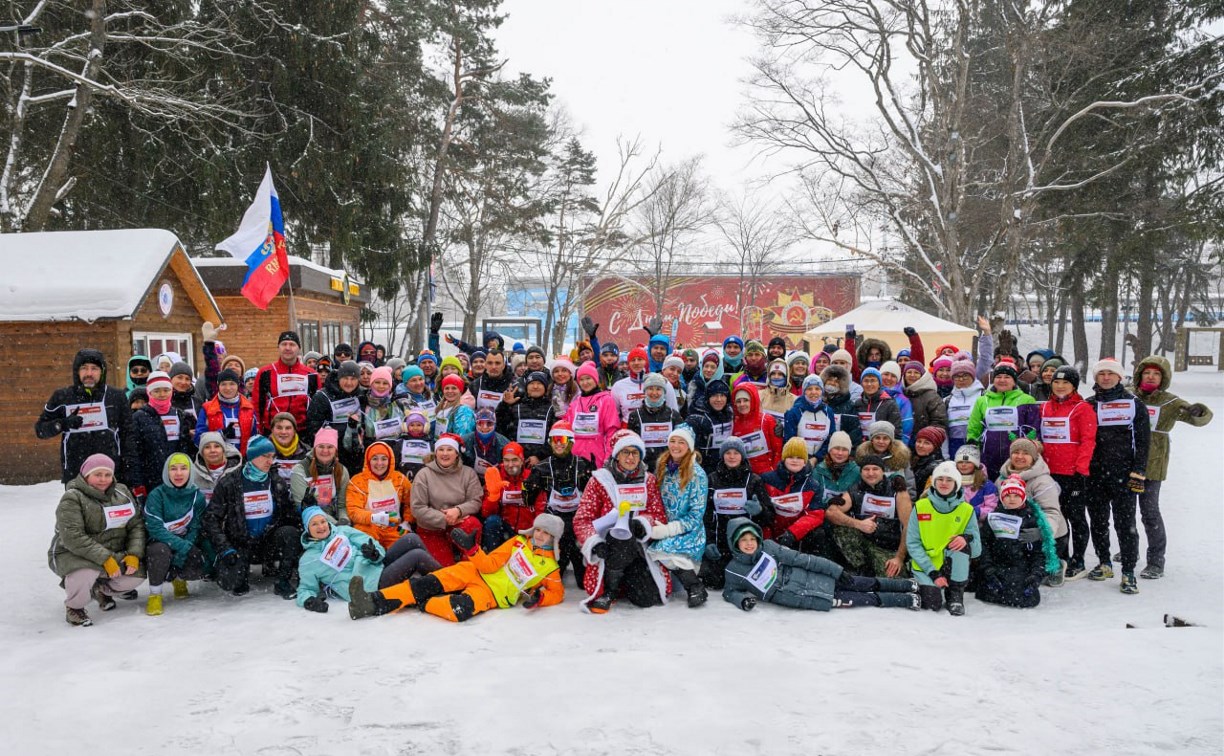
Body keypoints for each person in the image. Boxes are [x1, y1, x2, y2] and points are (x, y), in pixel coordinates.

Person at [347, 512, 566, 622]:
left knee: (458, 610)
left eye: (546, 533)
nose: (539, 535)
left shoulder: (550, 567)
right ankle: (370, 603)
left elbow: (557, 593)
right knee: (427, 582)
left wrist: (541, 598)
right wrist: (473, 550)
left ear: (553, 538)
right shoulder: (518, 542)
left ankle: (421, 601)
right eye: (538, 530)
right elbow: (489, 564)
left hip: (491, 594)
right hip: (473, 571)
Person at [723, 518, 920, 612]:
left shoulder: (769, 547)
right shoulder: (734, 570)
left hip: (820, 578)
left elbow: (803, 559)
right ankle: (906, 600)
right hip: (805, 597)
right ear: (735, 543)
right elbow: (730, 591)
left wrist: (837, 571)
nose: (749, 544)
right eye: (743, 540)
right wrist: (742, 600)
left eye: (752, 539)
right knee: (864, 599)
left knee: (864, 583)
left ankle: (906, 585)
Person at [1131, 355, 1214, 579]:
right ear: (1139, 375)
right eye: (1147, 372)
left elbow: (1200, 418)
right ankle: (1129, 549)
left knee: (1149, 512)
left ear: (1163, 378)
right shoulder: (1128, 395)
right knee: (1125, 512)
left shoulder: (1170, 402)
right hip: (1126, 461)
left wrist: (1198, 411)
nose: (1151, 377)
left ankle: (1156, 561)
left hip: (1153, 463)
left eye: (1156, 374)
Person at [573, 431, 671, 613]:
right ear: (617, 455)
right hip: (609, 547)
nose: (630, 457)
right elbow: (582, 519)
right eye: (626, 452)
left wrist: (644, 524)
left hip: (638, 547)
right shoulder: (599, 480)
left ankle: (623, 581)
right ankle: (610, 589)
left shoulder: (648, 480)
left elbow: (657, 514)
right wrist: (594, 542)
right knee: (620, 536)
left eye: (635, 452)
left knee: (647, 599)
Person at [48, 454, 146, 626]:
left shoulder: (122, 492)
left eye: (107, 475)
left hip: (112, 551)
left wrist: (133, 554)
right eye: (97, 474)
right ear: (86, 475)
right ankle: (74, 607)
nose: (103, 479)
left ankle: (100, 589)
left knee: (137, 574)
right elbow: (73, 537)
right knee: (85, 572)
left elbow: (136, 525)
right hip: (73, 553)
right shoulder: (73, 497)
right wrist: (105, 558)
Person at [203, 435, 302, 598]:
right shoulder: (230, 482)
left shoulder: (275, 481)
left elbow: (288, 514)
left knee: (291, 533)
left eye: (272, 456)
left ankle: (282, 581)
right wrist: (225, 548)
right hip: (240, 543)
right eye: (265, 456)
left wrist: (305, 509)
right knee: (231, 583)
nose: (270, 461)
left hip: (268, 542)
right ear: (252, 456)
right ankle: (239, 572)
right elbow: (211, 518)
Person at [1083, 358, 1150, 594]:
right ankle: (1104, 562)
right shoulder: (1088, 404)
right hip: (1095, 474)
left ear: (1119, 377)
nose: (1106, 377)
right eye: (1101, 374)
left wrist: (1139, 471)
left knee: (1125, 524)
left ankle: (1128, 571)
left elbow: (1143, 441)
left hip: (1124, 473)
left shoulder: (1134, 403)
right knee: (1098, 521)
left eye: (1110, 373)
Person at [295, 506, 439, 614]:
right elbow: (305, 588)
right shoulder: (308, 560)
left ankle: (439, 580)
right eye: (314, 524)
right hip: (367, 585)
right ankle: (445, 581)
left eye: (323, 521)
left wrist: (375, 554)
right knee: (416, 556)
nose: (321, 527)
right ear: (308, 529)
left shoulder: (341, 531)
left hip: (376, 564)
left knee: (411, 539)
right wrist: (309, 601)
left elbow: (370, 542)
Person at [36, 348, 137, 489]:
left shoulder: (116, 396)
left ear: (102, 372)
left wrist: (129, 469)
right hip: (76, 474)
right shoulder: (62, 397)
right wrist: (63, 424)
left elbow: (128, 434)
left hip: (110, 473)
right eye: (84, 368)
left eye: (94, 368)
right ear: (77, 371)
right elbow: (40, 429)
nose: (89, 373)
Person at [1038, 364, 1096, 577]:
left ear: (1074, 386)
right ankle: (1060, 557)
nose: (1060, 386)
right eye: (1056, 382)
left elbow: (1088, 440)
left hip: (1072, 473)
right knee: (1056, 516)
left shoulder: (1082, 408)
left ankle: (1078, 560)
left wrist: (1081, 470)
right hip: (1048, 473)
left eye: (1065, 382)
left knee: (1075, 516)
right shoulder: (1045, 407)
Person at [906, 461, 982, 615]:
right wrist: (933, 572)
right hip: (927, 565)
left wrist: (966, 539)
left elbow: (976, 551)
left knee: (961, 545)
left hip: (951, 564)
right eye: (940, 479)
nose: (944, 483)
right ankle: (918, 583)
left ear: (956, 484)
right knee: (932, 602)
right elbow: (913, 543)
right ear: (934, 482)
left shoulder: (967, 510)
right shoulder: (921, 506)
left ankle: (955, 594)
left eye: (949, 480)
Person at [975, 476, 1061, 609]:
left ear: (1023, 497)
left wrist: (1036, 575)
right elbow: (984, 544)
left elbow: (1039, 553)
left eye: (1016, 495)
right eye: (1008, 496)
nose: (1012, 499)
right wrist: (988, 569)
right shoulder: (993, 517)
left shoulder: (1032, 519)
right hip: (997, 565)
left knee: (1025, 597)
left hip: (1021, 567)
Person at [647, 426, 709, 607]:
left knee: (663, 549)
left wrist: (668, 530)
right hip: (662, 523)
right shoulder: (662, 465)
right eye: (673, 441)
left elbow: (696, 515)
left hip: (688, 530)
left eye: (681, 442)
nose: (676, 446)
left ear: (689, 446)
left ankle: (695, 587)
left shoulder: (697, 474)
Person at [700, 436, 774, 589]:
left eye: (736, 453)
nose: (732, 457)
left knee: (749, 581)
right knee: (714, 581)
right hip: (720, 542)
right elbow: (705, 515)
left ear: (742, 456)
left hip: (746, 543)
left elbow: (770, 517)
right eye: (728, 453)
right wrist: (708, 542)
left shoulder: (754, 480)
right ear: (722, 456)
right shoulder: (712, 479)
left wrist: (759, 511)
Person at [143, 453, 210, 616]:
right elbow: (155, 529)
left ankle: (179, 579)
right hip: (159, 541)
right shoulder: (156, 495)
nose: (178, 473)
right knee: (160, 551)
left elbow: (195, 527)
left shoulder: (197, 496)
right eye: (173, 469)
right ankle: (155, 594)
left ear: (190, 472)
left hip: (185, 540)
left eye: (183, 468)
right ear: (167, 472)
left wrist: (183, 554)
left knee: (198, 558)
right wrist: (183, 547)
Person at [997, 437, 1068, 585]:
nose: (1020, 456)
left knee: (1034, 572)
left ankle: (1056, 565)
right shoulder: (1002, 478)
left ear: (1034, 457)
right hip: (1018, 529)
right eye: (1016, 452)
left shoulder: (1042, 481)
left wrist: (1042, 532)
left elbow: (1052, 512)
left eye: (1025, 453)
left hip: (1047, 533)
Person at [826, 454, 911, 579]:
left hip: (888, 547)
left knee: (892, 581)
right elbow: (831, 512)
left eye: (875, 469)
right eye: (866, 469)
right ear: (861, 472)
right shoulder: (855, 490)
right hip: (864, 541)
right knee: (841, 528)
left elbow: (908, 526)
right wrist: (859, 524)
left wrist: (899, 558)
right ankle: (860, 567)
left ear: (882, 471)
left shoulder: (897, 491)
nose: (870, 473)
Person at [409, 434, 484, 567]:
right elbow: (417, 508)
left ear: (457, 453)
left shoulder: (468, 473)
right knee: (443, 569)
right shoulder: (424, 475)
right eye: (441, 449)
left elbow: (475, 500)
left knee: (473, 524)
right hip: (431, 529)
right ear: (436, 453)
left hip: (459, 524)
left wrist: (458, 510)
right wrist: (445, 518)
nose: (445, 453)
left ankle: (468, 562)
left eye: (449, 449)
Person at [965, 358, 1040, 478]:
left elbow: (1033, 428)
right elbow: (974, 427)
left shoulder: (1026, 400)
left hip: (1016, 455)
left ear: (1014, 381)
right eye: (998, 377)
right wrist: (973, 445)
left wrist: (1028, 448)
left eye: (1007, 377)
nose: (1002, 380)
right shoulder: (982, 400)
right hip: (989, 454)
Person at [131, 371, 197, 498]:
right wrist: (138, 483)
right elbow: (134, 453)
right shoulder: (139, 417)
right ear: (149, 393)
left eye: (166, 390)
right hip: (151, 480)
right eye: (157, 391)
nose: (162, 394)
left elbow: (186, 448)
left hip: (178, 477)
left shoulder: (180, 415)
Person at [761, 438, 830, 556]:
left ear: (805, 461)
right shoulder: (767, 479)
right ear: (784, 459)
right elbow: (763, 511)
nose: (794, 460)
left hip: (796, 535)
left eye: (799, 457)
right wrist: (768, 538)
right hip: (771, 531)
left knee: (818, 533)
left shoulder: (813, 485)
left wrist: (792, 533)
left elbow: (815, 515)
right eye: (790, 457)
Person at [346, 440, 413, 548]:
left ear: (390, 460)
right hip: (368, 527)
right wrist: (374, 517)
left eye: (384, 459)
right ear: (368, 461)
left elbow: (411, 502)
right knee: (366, 549)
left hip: (394, 528)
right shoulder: (357, 482)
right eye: (375, 459)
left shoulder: (399, 479)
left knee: (405, 546)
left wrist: (407, 522)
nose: (379, 463)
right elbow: (353, 511)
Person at [306, 359, 365, 474]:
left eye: (353, 379)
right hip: (332, 454)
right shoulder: (322, 397)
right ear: (338, 378)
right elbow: (313, 428)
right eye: (345, 378)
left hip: (355, 454)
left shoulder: (361, 395)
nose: (349, 383)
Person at [252, 330, 317, 433]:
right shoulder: (265, 373)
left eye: (292, 344)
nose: (287, 348)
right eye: (284, 344)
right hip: (273, 431)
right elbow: (257, 404)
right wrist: (259, 428)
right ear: (278, 347)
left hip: (303, 432)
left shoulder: (311, 374)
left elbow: (317, 405)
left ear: (299, 348)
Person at [481, 442, 537, 551]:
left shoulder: (532, 476)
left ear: (522, 460)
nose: (510, 465)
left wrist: (537, 530)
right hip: (506, 530)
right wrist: (493, 496)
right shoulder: (497, 476)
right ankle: (493, 556)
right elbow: (486, 513)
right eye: (506, 460)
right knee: (492, 521)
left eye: (514, 460)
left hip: (529, 530)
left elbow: (541, 506)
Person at [289, 428, 351, 524]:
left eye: (330, 447)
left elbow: (342, 505)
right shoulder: (300, 470)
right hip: (309, 521)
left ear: (335, 450)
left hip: (334, 520)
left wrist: (344, 520)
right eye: (321, 446)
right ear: (314, 448)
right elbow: (303, 506)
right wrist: (335, 524)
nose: (325, 451)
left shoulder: (341, 470)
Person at [565, 362, 621, 468]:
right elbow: (567, 430)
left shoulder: (606, 400)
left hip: (597, 456)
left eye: (588, 378)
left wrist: (608, 458)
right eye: (581, 379)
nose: (585, 382)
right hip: (575, 457)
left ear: (595, 380)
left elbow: (611, 432)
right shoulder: (575, 403)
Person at [496, 370, 556, 466]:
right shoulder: (516, 406)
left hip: (542, 462)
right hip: (515, 461)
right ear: (526, 387)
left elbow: (554, 437)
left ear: (545, 387)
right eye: (532, 383)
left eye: (539, 383)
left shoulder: (552, 409)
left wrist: (539, 456)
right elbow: (500, 427)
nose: (535, 386)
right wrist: (505, 405)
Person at [627, 373, 684, 471]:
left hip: (668, 468)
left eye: (658, 389)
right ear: (645, 391)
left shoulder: (673, 415)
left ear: (664, 392)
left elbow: (681, 443)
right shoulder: (635, 415)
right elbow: (631, 445)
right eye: (650, 388)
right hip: (643, 469)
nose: (654, 393)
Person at [196, 368, 257, 454]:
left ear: (238, 385)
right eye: (223, 384)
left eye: (232, 384)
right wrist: (221, 434)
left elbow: (255, 439)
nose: (228, 388)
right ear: (218, 386)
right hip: (216, 458)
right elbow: (198, 439)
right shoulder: (207, 408)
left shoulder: (250, 408)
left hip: (243, 458)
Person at [783, 375, 837, 466]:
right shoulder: (794, 412)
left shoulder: (828, 412)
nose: (813, 392)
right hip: (799, 460)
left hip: (822, 461)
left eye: (817, 389)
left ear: (822, 391)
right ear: (804, 391)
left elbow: (831, 438)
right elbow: (790, 440)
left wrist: (817, 458)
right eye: (809, 389)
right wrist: (802, 459)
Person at [687, 378, 734, 477]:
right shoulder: (697, 417)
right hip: (703, 468)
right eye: (715, 395)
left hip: (727, 466)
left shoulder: (730, 414)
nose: (719, 399)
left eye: (722, 396)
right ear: (708, 397)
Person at [731, 383, 781, 476]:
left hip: (768, 473)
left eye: (746, 400)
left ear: (753, 400)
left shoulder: (767, 420)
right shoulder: (734, 424)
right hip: (745, 474)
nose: (742, 404)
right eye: (738, 401)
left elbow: (777, 450)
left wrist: (774, 472)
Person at [856, 420, 916, 497]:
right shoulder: (862, 457)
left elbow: (909, 483)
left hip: (895, 501)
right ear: (872, 440)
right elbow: (856, 483)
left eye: (885, 438)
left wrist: (909, 501)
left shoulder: (901, 457)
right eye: (877, 438)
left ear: (890, 441)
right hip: (867, 500)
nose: (881, 441)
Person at [944, 359, 985, 459]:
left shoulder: (983, 396)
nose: (961, 379)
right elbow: (944, 429)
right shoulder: (947, 400)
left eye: (965, 375)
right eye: (957, 376)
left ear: (972, 376)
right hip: (954, 445)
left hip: (978, 443)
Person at [811, 431, 861, 509]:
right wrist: (827, 503)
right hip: (822, 513)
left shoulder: (857, 472)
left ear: (849, 452)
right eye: (836, 448)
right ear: (830, 450)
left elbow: (859, 500)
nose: (840, 453)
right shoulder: (818, 471)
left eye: (844, 449)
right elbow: (812, 500)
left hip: (847, 514)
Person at [819, 364, 863, 449]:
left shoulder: (849, 407)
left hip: (839, 451)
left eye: (837, 381)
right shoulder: (816, 403)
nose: (832, 383)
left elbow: (854, 434)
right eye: (830, 380)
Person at [903, 361, 948, 444]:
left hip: (924, 444)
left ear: (922, 376)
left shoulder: (931, 396)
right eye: (909, 372)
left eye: (916, 372)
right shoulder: (901, 394)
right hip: (903, 443)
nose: (912, 375)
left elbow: (939, 422)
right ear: (904, 375)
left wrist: (925, 439)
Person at [191, 431, 241, 504]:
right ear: (202, 452)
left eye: (217, 446)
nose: (212, 450)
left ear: (223, 450)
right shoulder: (192, 474)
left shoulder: (239, 472)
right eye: (207, 447)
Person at [853, 367, 903, 441]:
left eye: (873, 380)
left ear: (879, 384)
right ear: (862, 384)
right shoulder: (857, 404)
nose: (869, 384)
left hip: (882, 445)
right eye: (866, 381)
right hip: (861, 446)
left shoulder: (890, 404)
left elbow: (896, 431)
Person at [953, 445, 998, 521]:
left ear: (975, 464)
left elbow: (991, 509)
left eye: (968, 462)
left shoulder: (987, 485)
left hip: (978, 525)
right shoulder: (951, 481)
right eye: (960, 462)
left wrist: (972, 512)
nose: (963, 465)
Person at [268, 412, 310, 483]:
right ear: (272, 430)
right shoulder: (262, 452)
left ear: (294, 431)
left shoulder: (307, 452)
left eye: (288, 428)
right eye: (279, 428)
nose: (283, 432)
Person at [877, 361, 913, 445]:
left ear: (897, 380)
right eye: (886, 374)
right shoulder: (871, 394)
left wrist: (898, 447)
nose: (889, 378)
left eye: (893, 376)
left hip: (892, 445)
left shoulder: (903, 400)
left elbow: (906, 429)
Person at [435, 374, 476, 439]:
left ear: (460, 391)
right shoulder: (441, 408)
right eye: (447, 388)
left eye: (454, 388)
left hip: (452, 445)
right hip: (439, 444)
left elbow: (462, 438)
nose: (450, 391)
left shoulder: (464, 411)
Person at [910, 426, 947, 494]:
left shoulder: (937, 468)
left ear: (935, 446)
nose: (920, 445)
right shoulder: (911, 459)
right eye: (919, 441)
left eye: (926, 443)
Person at [759, 359, 796, 426]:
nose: (776, 377)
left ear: (786, 377)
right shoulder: (759, 395)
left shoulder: (794, 400)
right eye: (773, 373)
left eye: (780, 374)